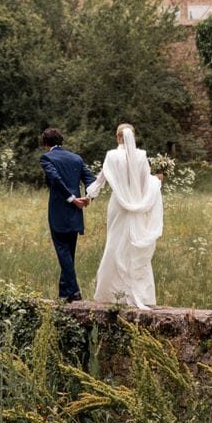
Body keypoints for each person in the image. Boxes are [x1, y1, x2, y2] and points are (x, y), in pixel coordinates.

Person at [86, 123, 163, 309]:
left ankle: (110, 292)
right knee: (133, 246)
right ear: (133, 136)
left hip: (119, 205)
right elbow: (147, 182)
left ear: (117, 137)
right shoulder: (141, 155)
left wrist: (89, 196)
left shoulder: (112, 156)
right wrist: (158, 180)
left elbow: (101, 180)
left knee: (114, 243)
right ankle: (141, 293)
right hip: (137, 205)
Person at [40, 127, 96, 303]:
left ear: (45, 144)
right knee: (69, 252)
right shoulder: (76, 158)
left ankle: (74, 292)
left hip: (59, 211)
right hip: (76, 212)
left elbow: (55, 179)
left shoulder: (47, 157)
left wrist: (72, 199)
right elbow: (91, 180)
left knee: (63, 251)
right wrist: (87, 197)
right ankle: (64, 294)